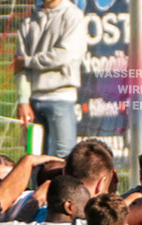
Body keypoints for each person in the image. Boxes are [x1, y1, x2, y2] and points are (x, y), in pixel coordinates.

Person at [14, 0, 87, 158]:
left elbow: (65, 55)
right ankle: (35, 184)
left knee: (64, 157)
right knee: (33, 156)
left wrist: (29, 61)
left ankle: (60, 184)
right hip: (33, 101)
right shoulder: (28, 20)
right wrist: (23, 100)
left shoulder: (73, 15)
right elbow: (19, 65)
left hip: (61, 97)